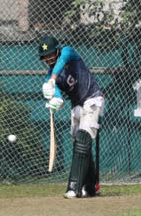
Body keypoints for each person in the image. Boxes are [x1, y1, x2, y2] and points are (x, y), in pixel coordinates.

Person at [39, 36, 104, 198]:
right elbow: (59, 97)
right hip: (77, 105)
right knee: (80, 144)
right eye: (45, 56)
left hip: (93, 98)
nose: (48, 59)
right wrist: (55, 101)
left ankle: (74, 188)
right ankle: (90, 186)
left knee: (84, 137)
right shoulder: (48, 77)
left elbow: (62, 61)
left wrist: (52, 80)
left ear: (58, 50)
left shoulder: (68, 52)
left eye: (51, 54)